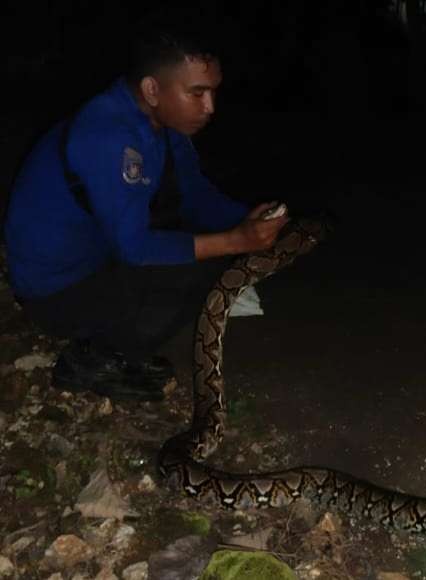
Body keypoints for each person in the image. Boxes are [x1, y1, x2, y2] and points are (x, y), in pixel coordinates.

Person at [3, 13, 290, 402]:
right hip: (52, 291)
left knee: (199, 249)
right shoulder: (110, 135)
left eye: (214, 92)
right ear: (153, 89)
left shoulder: (159, 124)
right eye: (197, 93)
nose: (210, 107)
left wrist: (249, 221)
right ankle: (94, 358)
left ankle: (113, 339)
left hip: (95, 257)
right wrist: (235, 241)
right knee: (201, 272)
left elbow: (194, 194)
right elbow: (135, 249)